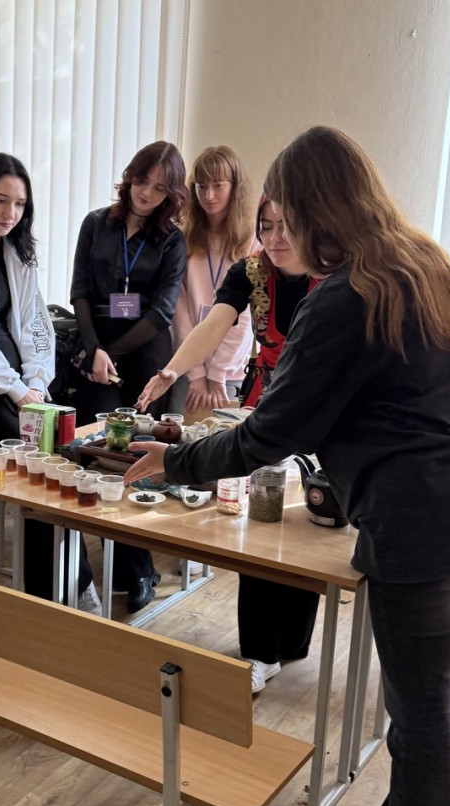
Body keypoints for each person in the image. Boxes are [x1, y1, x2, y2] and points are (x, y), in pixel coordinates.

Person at [125, 126, 450, 806]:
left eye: (285, 217)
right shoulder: (430, 263)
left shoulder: (346, 296)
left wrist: (175, 462)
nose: (275, 233)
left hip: (425, 521)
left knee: (418, 706)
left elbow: (269, 433)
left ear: (318, 210)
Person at [138, 194, 321, 693]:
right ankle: (260, 649)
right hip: (268, 400)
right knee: (262, 516)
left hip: (322, 406)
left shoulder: (333, 276)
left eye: (286, 226)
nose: (275, 239)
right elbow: (215, 324)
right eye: (266, 226)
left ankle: (290, 640)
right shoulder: (252, 271)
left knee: (306, 521)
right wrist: (172, 369)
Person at [0, 153, 99, 610]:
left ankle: (63, 585)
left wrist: (38, 382)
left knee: (60, 459)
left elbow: (36, 326)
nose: (10, 212)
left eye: (20, 204)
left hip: (20, 386)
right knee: (37, 463)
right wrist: (18, 390)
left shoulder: (18, 252)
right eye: (0, 200)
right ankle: (63, 590)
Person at [70, 140, 188, 612]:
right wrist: (93, 349)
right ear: (130, 177)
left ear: (170, 195)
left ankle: (137, 569)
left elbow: (161, 312)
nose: (146, 193)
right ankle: (119, 563)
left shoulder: (172, 241)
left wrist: (110, 353)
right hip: (96, 348)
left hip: (143, 358)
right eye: (142, 181)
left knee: (134, 458)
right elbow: (79, 291)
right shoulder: (96, 223)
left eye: (159, 188)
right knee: (99, 455)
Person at [169, 145, 255, 415]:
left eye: (218, 185)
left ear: (235, 186)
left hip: (229, 371)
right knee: (177, 434)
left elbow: (244, 318)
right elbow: (179, 312)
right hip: (188, 368)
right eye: (201, 186)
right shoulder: (183, 237)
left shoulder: (252, 240)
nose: (209, 195)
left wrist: (218, 373)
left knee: (222, 437)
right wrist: (196, 373)